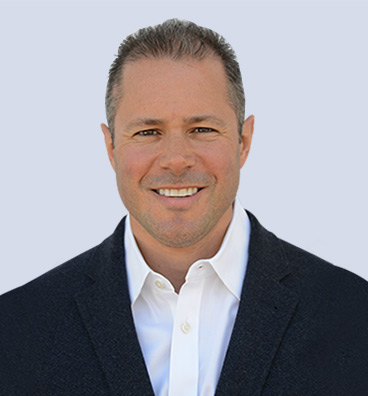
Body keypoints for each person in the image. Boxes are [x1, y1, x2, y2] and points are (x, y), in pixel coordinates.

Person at [0, 19, 367, 396]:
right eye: (147, 132)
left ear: (243, 141)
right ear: (111, 148)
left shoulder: (354, 317)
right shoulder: (15, 330)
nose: (176, 160)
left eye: (202, 129)